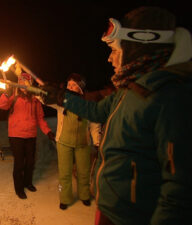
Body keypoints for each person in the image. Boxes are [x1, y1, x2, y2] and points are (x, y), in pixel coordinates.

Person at [42, 6, 192, 225]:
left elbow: (180, 189)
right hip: (110, 208)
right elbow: (96, 110)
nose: (110, 59)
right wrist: (61, 97)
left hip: (131, 218)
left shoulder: (169, 97)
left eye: (116, 51)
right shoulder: (128, 90)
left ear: (137, 48)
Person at [46, 73, 102, 210]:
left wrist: (97, 141)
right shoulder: (61, 100)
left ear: (80, 88)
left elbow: (94, 124)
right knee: (64, 172)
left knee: (84, 172)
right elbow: (44, 98)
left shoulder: (87, 103)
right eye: (69, 84)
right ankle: (64, 198)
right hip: (64, 142)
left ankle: (84, 196)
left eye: (74, 85)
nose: (70, 87)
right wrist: (39, 89)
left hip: (83, 143)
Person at [0, 73, 55, 199]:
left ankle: (27, 183)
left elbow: (40, 118)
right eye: (21, 82)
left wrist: (48, 132)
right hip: (16, 134)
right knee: (19, 163)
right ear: (18, 83)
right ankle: (19, 188)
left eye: (26, 82)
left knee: (30, 162)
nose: (23, 85)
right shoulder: (14, 95)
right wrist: (6, 93)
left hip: (30, 134)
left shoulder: (35, 99)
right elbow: (2, 105)